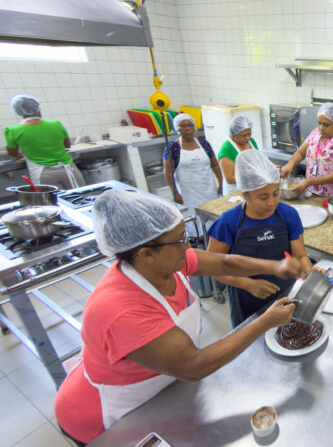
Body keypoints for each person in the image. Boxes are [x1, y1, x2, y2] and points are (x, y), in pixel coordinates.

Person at [54, 190, 301, 445]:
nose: (188, 245)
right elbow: (194, 366)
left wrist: (274, 266)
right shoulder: (121, 309)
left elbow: (224, 263)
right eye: (180, 240)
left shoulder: (167, 263)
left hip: (158, 389)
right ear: (146, 253)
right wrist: (264, 322)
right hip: (108, 418)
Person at [207, 150, 317, 327]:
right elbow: (213, 267)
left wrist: (308, 270)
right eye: (263, 197)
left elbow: (300, 255)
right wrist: (248, 284)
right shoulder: (228, 222)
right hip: (247, 300)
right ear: (245, 194)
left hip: (285, 295)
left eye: (275, 193)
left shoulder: (288, 215)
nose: (271, 203)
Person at [4, 94, 85, 189]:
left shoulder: (13, 130)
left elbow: (12, 153)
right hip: (67, 169)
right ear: (37, 109)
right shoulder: (55, 124)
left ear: (19, 111)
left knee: (54, 201)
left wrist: (22, 155)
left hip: (42, 173)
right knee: (80, 198)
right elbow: (67, 145)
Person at [279, 102, 333, 197]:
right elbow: (301, 152)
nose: (321, 128)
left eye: (326, 125)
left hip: (331, 197)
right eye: (319, 123)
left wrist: (310, 182)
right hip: (310, 193)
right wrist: (290, 164)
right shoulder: (315, 133)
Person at [163, 113, 222, 207]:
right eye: (183, 126)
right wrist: (175, 193)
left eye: (190, 125)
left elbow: (215, 165)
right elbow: (168, 173)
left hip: (209, 190)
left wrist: (221, 182)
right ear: (177, 128)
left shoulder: (204, 143)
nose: (187, 128)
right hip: (187, 194)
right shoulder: (173, 147)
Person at [218, 116, 259, 196]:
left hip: (252, 189)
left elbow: (259, 161)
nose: (248, 138)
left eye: (249, 134)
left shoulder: (251, 142)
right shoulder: (227, 148)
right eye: (243, 135)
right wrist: (254, 177)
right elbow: (230, 178)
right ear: (234, 135)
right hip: (235, 192)